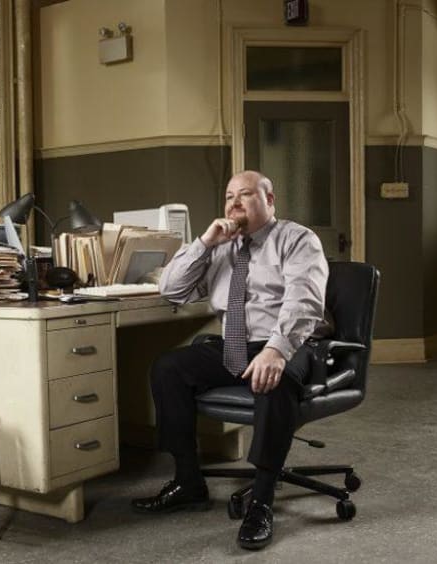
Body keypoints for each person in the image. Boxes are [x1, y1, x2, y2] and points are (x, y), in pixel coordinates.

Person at [130, 170, 330, 550]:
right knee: (168, 367)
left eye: (246, 195)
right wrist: (205, 243)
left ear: (270, 202)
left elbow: (304, 299)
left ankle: (263, 501)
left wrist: (277, 349)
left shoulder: (297, 239)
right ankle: (188, 481)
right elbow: (171, 290)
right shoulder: (221, 246)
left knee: (273, 381)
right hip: (233, 346)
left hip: (286, 343)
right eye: (229, 196)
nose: (234, 203)